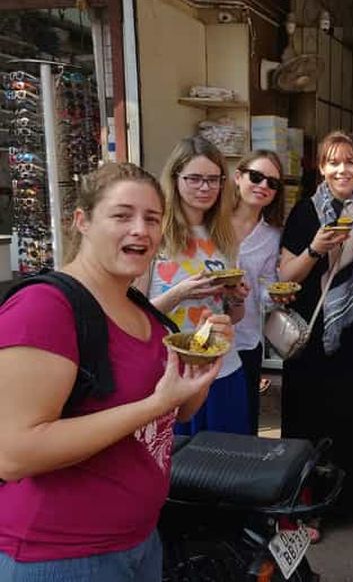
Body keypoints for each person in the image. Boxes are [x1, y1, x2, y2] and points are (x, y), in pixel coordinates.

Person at [0, 163, 227, 581]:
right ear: (83, 222)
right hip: (62, 555)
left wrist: (200, 363)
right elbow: (14, 454)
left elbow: (179, 414)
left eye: (152, 219)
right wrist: (154, 403)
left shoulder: (141, 310)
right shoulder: (44, 309)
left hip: (138, 542)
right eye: (122, 216)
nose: (140, 229)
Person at [279, 130, 353, 529]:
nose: (343, 169)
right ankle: (303, 505)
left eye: (351, 161)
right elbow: (286, 276)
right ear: (322, 168)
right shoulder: (305, 212)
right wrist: (315, 249)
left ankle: (349, 501)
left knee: (350, 418)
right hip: (309, 333)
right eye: (334, 161)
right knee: (307, 417)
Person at [140, 136, 249, 435]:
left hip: (223, 369)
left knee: (228, 470)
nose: (205, 188)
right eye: (195, 179)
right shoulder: (153, 234)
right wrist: (180, 293)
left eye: (213, 180)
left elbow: (233, 317)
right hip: (169, 376)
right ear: (175, 179)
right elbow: (133, 316)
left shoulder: (225, 237)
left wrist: (236, 298)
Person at [230, 150, 285, 435]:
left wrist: (275, 295)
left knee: (244, 421)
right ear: (238, 177)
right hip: (200, 336)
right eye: (256, 177)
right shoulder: (210, 224)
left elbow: (265, 290)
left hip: (246, 340)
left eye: (272, 183)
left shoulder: (272, 236)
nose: (263, 186)